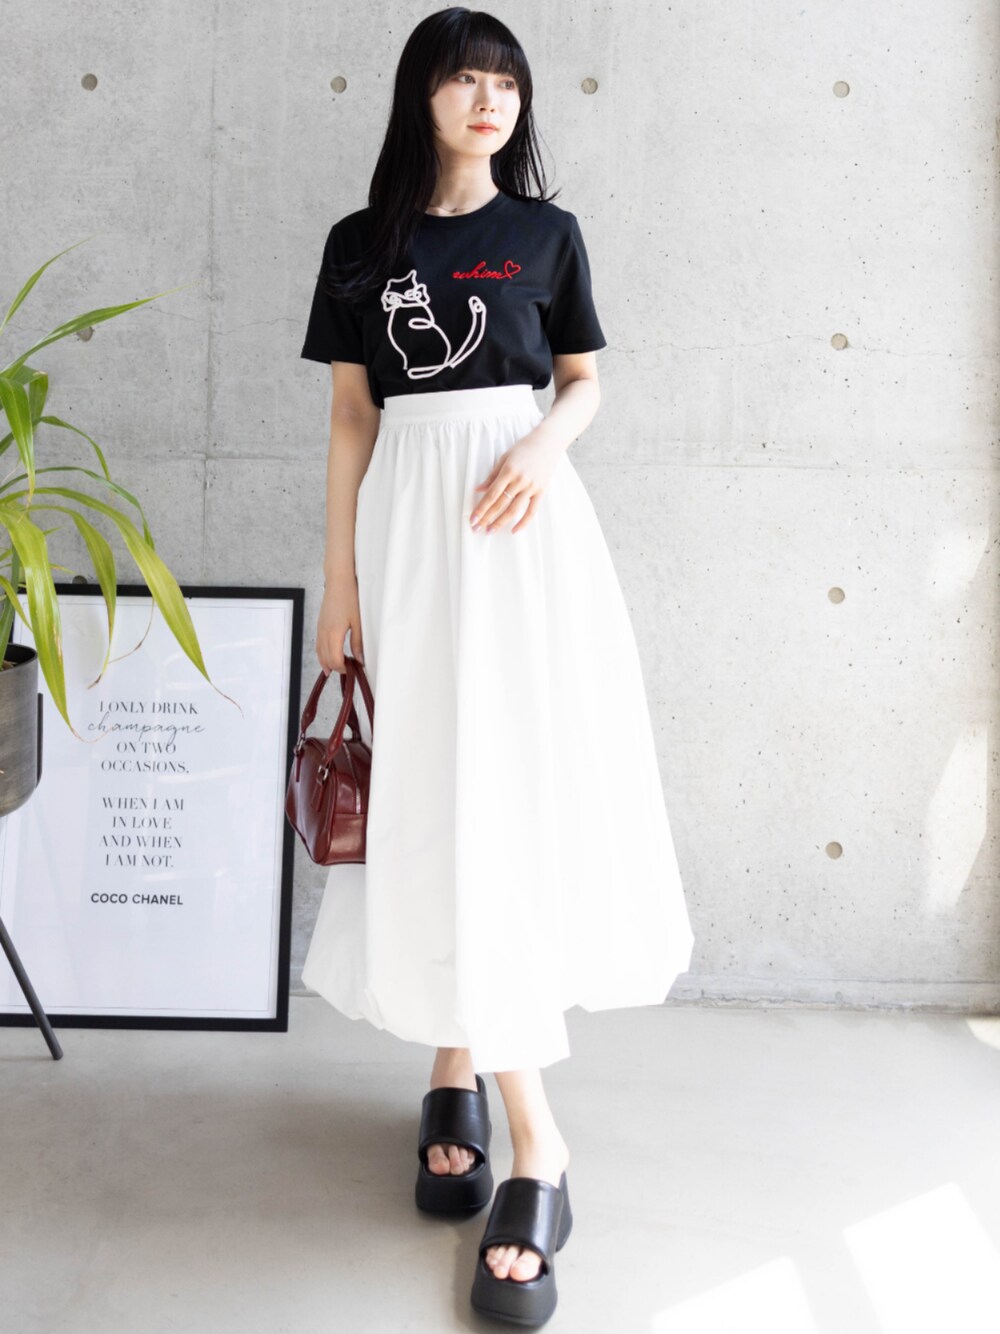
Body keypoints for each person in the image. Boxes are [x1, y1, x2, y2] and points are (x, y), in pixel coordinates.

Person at [299, 8, 694, 1326]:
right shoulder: (361, 246)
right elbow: (352, 415)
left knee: (505, 790)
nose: (490, 100)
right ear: (421, 94)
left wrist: (539, 445)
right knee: (437, 788)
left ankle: (533, 1143)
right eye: (466, 78)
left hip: (523, 531)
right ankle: (458, 1076)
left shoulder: (547, 234)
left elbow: (585, 380)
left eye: (507, 83)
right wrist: (342, 584)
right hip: (407, 533)